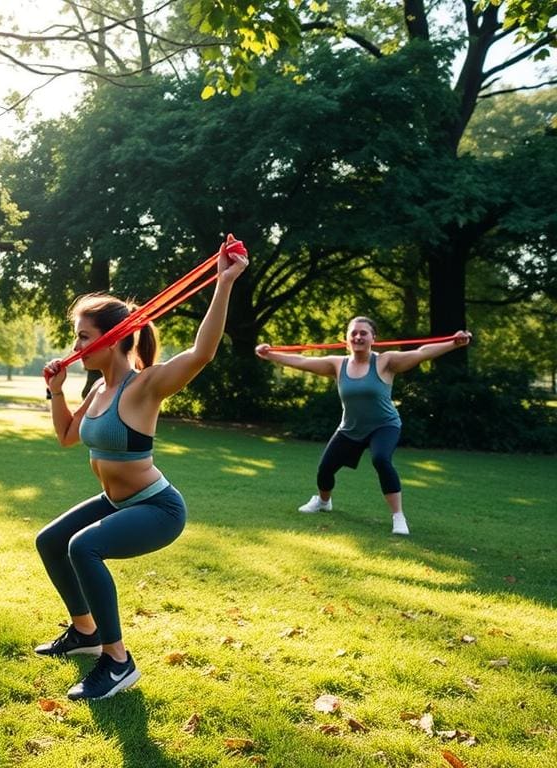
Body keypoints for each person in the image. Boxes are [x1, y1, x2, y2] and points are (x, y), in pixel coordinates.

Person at [36, 234, 249, 701]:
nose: (76, 346)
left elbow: (202, 353)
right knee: (51, 541)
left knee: (82, 547)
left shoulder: (145, 386)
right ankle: (86, 633)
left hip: (157, 508)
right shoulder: (98, 391)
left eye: (84, 337)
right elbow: (67, 437)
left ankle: (117, 661)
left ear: (112, 339)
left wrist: (225, 281)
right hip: (115, 502)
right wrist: (57, 390)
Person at [255, 318, 472, 535]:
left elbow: (422, 353)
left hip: (384, 426)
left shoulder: (386, 362)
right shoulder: (337, 364)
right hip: (350, 429)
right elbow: (301, 361)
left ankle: (398, 516)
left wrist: (454, 343)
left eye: (363, 333)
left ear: (373, 338)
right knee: (325, 470)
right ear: (347, 339)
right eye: (354, 333)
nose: (358, 337)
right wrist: (270, 354)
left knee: (381, 459)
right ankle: (323, 501)